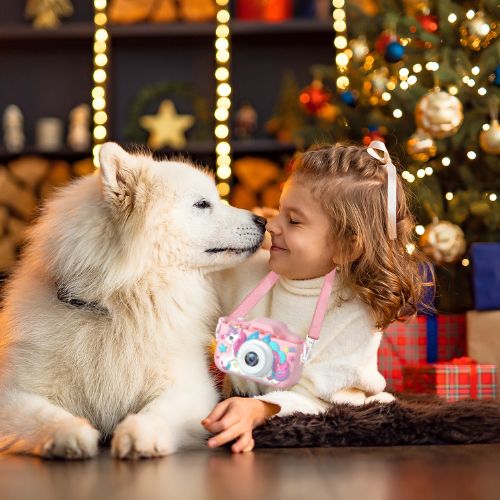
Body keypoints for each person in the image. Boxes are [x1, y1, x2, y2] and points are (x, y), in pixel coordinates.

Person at [203, 141, 429, 453]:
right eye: (280, 211)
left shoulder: (355, 310)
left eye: (294, 220)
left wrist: (258, 409)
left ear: (347, 246)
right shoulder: (247, 272)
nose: (272, 225)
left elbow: (320, 396)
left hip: (329, 432)